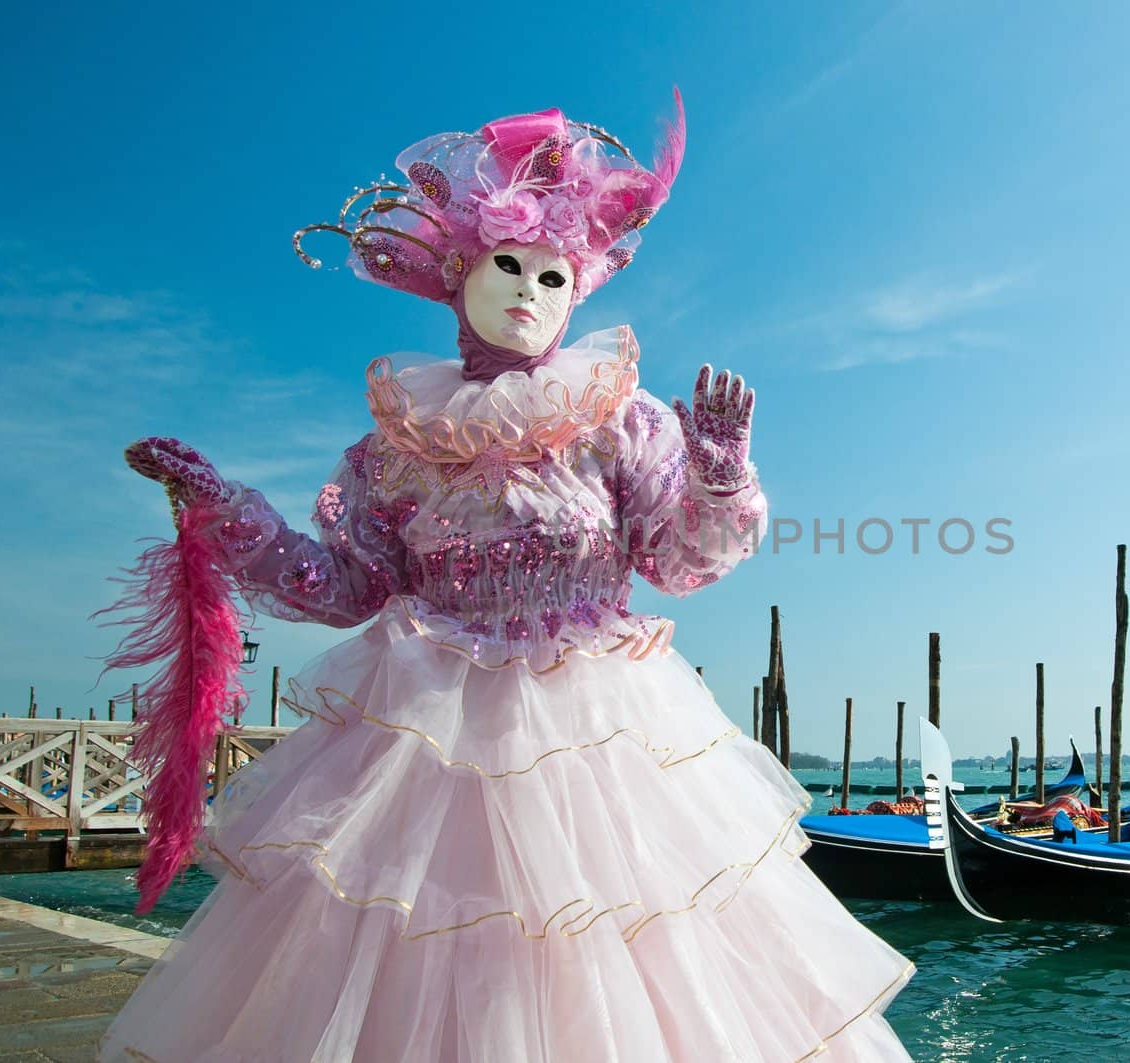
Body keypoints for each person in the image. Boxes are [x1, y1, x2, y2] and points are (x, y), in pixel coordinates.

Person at [100, 94, 913, 1061]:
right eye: (509, 267)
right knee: (426, 944)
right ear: (459, 277)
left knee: (617, 947)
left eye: (553, 275)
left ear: (579, 292)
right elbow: (345, 583)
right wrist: (223, 507)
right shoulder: (394, 449)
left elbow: (681, 558)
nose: (530, 291)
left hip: (601, 732)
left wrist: (723, 467)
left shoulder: (620, 418)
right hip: (427, 737)